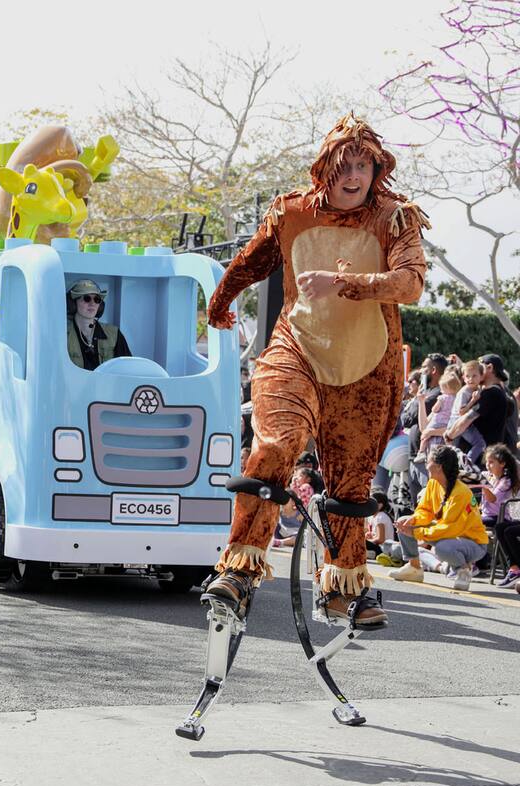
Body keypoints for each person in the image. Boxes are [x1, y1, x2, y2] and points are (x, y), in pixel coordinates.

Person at [202, 114, 428, 628]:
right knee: (278, 443)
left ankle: (346, 585)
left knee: (351, 484)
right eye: (343, 165)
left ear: (377, 169)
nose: (353, 176)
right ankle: (238, 567)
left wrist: (347, 284)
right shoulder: (291, 212)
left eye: (363, 166)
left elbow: (410, 284)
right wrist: (220, 302)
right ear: (324, 168)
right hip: (297, 349)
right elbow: (251, 261)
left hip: (366, 367)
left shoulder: (395, 217)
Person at [391, 445, 489, 591]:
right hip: (449, 535)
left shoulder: (461, 493)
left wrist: (416, 533)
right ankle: (414, 567)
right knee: (404, 522)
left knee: (443, 549)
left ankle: (463, 570)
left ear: (438, 466)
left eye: (428, 461)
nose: (425, 464)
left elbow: (450, 529)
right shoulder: (433, 483)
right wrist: (413, 520)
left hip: (474, 543)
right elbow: (425, 510)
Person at [65, 278, 132, 371]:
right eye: (87, 298)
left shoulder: (114, 334)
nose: (92, 303)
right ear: (73, 304)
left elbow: (127, 369)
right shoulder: (63, 335)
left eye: (97, 299)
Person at [479, 444, 520, 588]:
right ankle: (514, 568)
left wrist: (483, 485)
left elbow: (493, 499)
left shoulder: (506, 481)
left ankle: (514, 569)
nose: (488, 465)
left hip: (499, 515)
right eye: (487, 462)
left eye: (492, 462)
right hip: (492, 517)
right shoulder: (490, 477)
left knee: (504, 528)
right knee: (502, 528)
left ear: (502, 464)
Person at [445, 358, 487, 464]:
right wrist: (473, 401)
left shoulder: (477, 389)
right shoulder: (464, 392)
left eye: (474, 376)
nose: (470, 379)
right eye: (467, 376)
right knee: (480, 443)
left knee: (455, 450)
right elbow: (462, 412)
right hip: (457, 421)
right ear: (463, 377)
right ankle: (467, 463)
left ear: (481, 376)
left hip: (462, 422)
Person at [365, 490, 394, 558]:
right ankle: (369, 553)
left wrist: (368, 541)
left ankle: (372, 554)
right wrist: (369, 536)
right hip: (377, 546)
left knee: (360, 541)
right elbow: (374, 535)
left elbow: (381, 539)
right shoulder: (372, 517)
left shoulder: (381, 517)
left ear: (380, 505)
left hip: (384, 548)